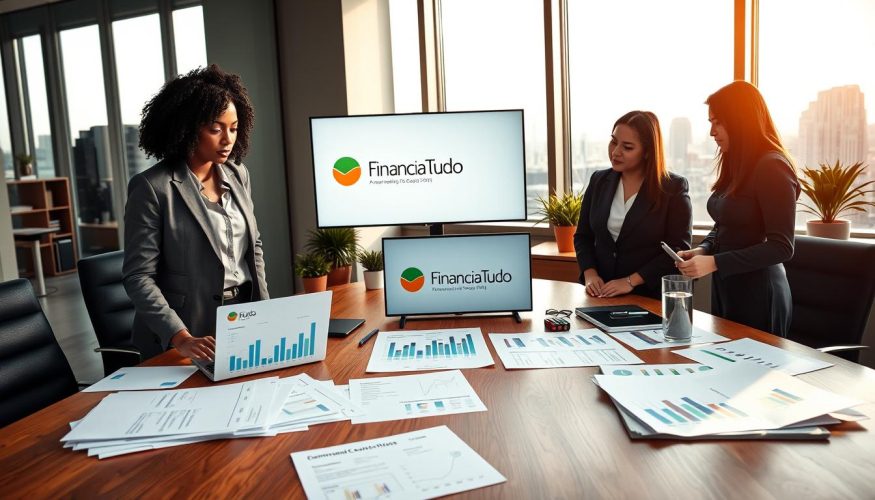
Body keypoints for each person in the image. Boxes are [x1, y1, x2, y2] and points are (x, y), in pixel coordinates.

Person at [123, 65, 269, 362]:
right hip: (186, 333)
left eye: (234, 128)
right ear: (188, 127)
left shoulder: (238, 174)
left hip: (242, 317)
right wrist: (182, 337)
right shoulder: (152, 188)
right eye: (215, 129)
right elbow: (139, 276)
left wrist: (266, 313)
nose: (227, 139)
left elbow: (253, 248)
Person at [676, 81, 800, 337]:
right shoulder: (737, 163)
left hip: (760, 294)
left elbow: (782, 246)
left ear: (740, 120)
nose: (712, 132)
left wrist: (714, 262)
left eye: (718, 122)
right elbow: (725, 223)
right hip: (729, 287)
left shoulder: (772, 167)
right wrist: (704, 249)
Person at [574, 110, 692, 299]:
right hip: (600, 294)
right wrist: (590, 274)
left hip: (647, 295)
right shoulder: (598, 180)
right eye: (613, 142)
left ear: (647, 152)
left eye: (627, 147)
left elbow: (677, 249)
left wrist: (630, 281)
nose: (615, 152)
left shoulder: (673, 188)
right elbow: (583, 236)